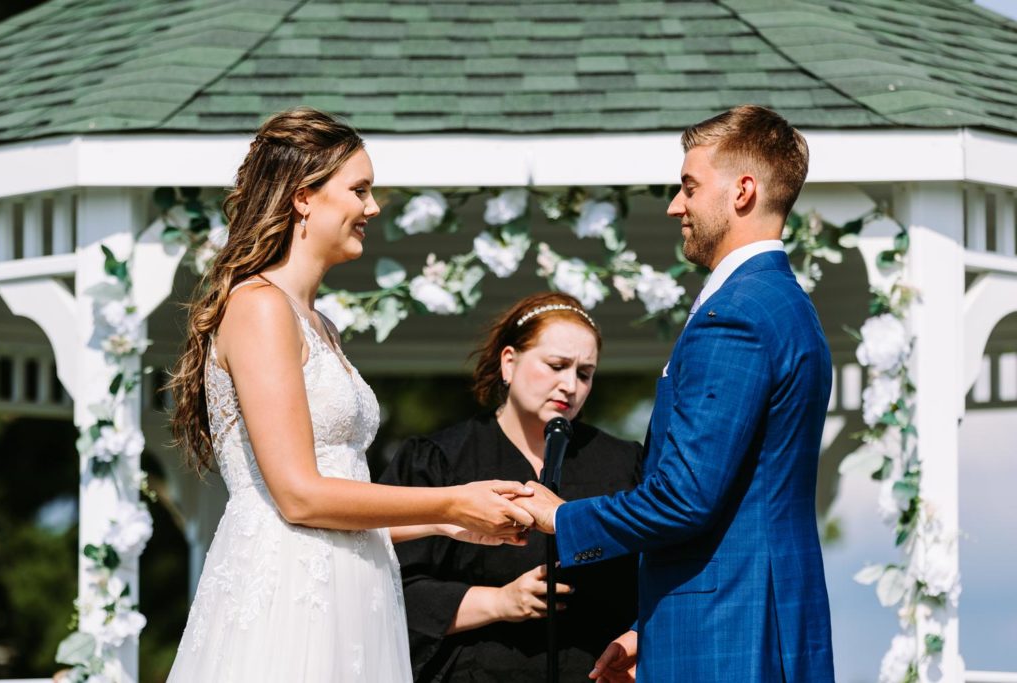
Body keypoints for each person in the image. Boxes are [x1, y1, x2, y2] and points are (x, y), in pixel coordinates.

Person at [165, 107, 535, 682]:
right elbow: (298, 498)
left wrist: (447, 525)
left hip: (352, 586)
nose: (373, 207)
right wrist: (448, 502)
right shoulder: (259, 307)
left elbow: (341, 495)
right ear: (303, 198)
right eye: (359, 190)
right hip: (290, 592)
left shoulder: (321, 325)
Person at [516, 105, 835, 682]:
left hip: (726, 636)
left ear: (742, 191)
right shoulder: (790, 307)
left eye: (689, 187)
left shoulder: (734, 315)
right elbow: (744, 499)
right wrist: (651, 629)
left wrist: (561, 518)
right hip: (762, 619)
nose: (674, 205)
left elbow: (685, 497)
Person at [379, 292, 641, 682]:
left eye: (585, 373)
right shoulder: (440, 459)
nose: (570, 385)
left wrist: (638, 637)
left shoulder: (624, 462)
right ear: (509, 362)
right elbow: (388, 586)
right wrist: (500, 601)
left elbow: (660, 571)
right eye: (556, 366)